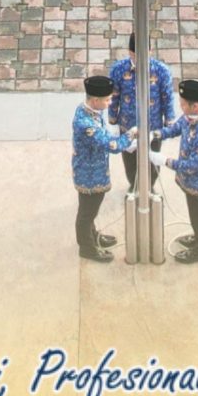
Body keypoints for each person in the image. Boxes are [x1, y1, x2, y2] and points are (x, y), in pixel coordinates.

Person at [155, 77, 198, 265]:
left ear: (195, 106)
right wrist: (157, 134)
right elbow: (177, 127)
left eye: (183, 104)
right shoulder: (191, 116)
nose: (180, 107)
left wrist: (166, 161)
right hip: (191, 182)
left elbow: (193, 166)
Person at [71, 75, 131, 263]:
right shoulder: (86, 124)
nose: (110, 102)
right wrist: (130, 136)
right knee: (87, 212)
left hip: (94, 169)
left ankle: (92, 235)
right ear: (95, 100)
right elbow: (111, 145)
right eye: (107, 100)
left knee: (90, 211)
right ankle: (87, 248)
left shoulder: (89, 111)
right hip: (89, 175)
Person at [110, 35, 175, 191]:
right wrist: (112, 119)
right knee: (130, 162)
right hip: (127, 126)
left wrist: (169, 124)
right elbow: (114, 96)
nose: (138, 59)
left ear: (150, 51)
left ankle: (149, 188)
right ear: (130, 52)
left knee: (153, 161)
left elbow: (167, 98)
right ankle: (134, 187)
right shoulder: (118, 69)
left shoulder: (162, 71)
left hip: (153, 127)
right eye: (134, 55)